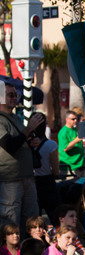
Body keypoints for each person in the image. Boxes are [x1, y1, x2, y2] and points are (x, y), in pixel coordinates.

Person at [0, 82, 44, 237]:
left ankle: (31, 254)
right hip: (10, 180)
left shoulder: (15, 118)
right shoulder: (1, 120)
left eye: (16, 95)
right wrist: (28, 129)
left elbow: (19, 142)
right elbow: (9, 146)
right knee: (11, 224)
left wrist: (30, 143)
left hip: (27, 176)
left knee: (32, 220)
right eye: (10, 95)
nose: (15, 98)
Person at [32, 112, 62, 225]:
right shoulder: (51, 145)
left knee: (34, 218)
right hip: (47, 182)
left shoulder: (27, 144)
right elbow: (55, 170)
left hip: (32, 182)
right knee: (55, 215)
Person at [58, 110, 85, 177]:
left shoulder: (75, 129)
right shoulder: (63, 132)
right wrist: (76, 140)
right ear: (67, 119)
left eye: (76, 119)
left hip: (80, 165)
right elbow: (65, 148)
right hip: (70, 168)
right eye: (73, 119)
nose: (75, 120)